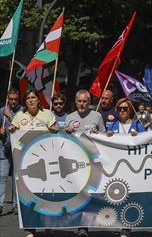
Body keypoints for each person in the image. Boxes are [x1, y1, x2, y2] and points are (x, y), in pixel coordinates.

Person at [8, 90, 56, 237]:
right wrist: (12, 128)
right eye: (28, 98)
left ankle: (48, 227)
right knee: (29, 196)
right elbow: (13, 129)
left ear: (38, 99)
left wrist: (53, 129)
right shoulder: (19, 116)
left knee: (47, 195)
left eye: (33, 97)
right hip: (26, 163)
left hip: (46, 162)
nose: (30, 100)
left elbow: (55, 130)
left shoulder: (47, 114)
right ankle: (30, 229)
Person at [64, 90, 104, 237]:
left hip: (93, 162)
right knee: (79, 194)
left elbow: (105, 137)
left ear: (89, 102)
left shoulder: (97, 116)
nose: (82, 104)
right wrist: (66, 131)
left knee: (92, 194)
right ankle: (82, 227)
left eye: (85, 101)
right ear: (75, 102)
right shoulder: (69, 117)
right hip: (75, 163)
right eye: (79, 101)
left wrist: (97, 134)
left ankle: (93, 221)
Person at [105, 98, 144, 237]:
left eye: (125, 108)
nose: (122, 111)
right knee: (119, 196)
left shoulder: (137, 124)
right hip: (117, 166)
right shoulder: (113, 125)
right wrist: (107, 136)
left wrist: (139, 136)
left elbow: (146, 141)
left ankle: (128, 225)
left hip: (133, 167)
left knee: (131, 197)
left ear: (130, 110)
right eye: (120, 108)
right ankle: (122, 225)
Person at [1, 88, 21, 215]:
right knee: (2, 177)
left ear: (19, 99)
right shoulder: (1, 111)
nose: (13, 102)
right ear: (7, 98)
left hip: (18, 148)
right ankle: (0, 204)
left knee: (16, 177)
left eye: (15, 99)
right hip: (4, 147)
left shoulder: (23, 111)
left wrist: (10, 116)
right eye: (11, 99)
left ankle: (16, 204)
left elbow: (21, 126)